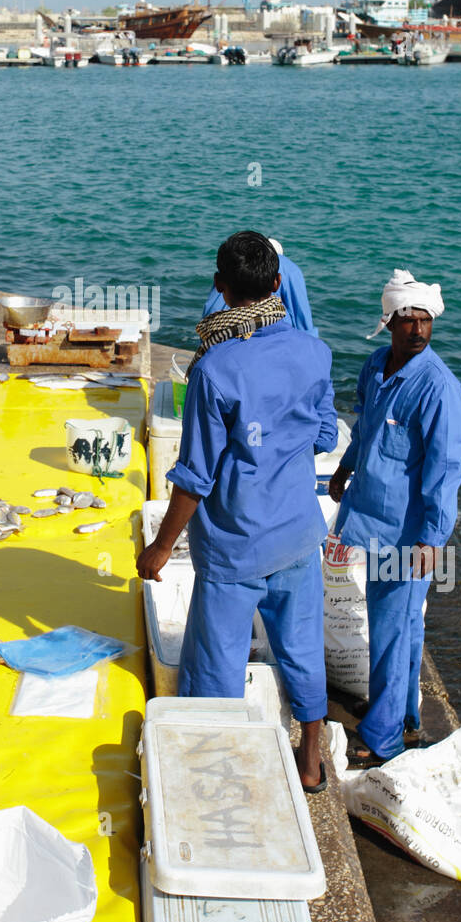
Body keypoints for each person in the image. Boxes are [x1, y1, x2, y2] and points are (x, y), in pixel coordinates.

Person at [137, 231, 338, 792]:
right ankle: (311, 760)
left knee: (216, 665)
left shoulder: (214, 369)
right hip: (299, 534)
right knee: (300, 649)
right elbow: (324, 435)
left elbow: (195, 478)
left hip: (234, 547)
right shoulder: (314, 352)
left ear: (222, 289)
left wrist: (159, 548)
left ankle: (219, 768)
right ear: (278, 284)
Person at [327, 269, 461, 765]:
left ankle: (383, 737)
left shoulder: (438, 389)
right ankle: (407, 716)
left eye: (424, 319)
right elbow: (365, 428)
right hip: (370, 518)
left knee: (390, 629)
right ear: (389, 321)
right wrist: (344, 469)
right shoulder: (374, 366)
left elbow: (445, 469)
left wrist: (433, 538)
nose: (417, 329)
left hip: (407, 535)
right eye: (407, 319)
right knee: (403, 623)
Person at [201, 238, 318, 336]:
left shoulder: (235, 263)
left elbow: (212, 304)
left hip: (217, 329)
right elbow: (301, 314)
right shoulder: (289, 268)